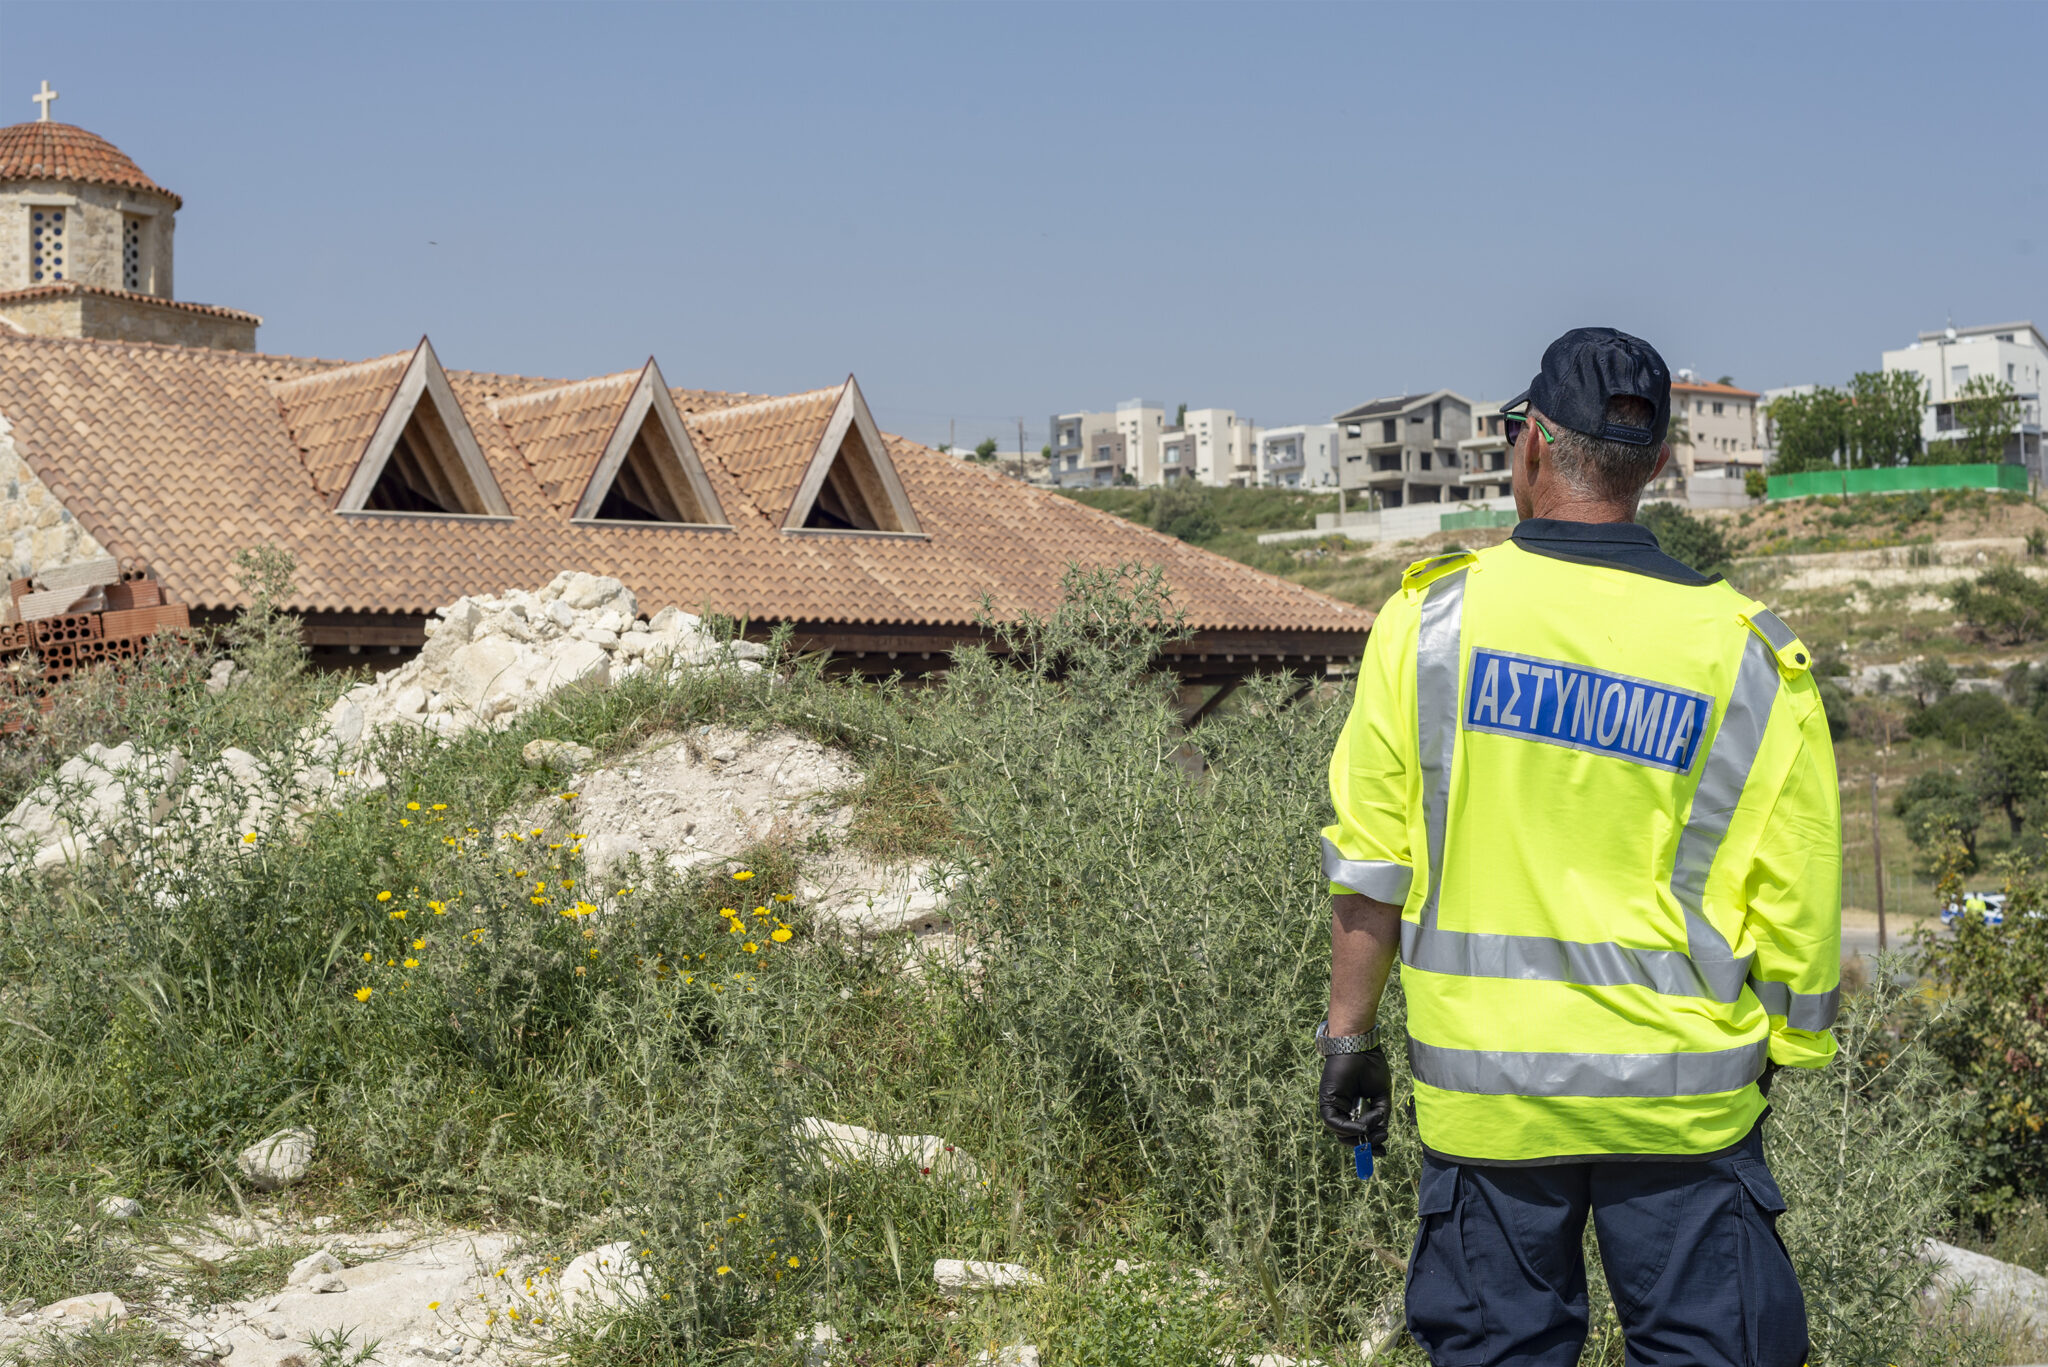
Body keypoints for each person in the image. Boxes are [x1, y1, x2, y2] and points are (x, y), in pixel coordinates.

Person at [1314, 327, 1840, 1367]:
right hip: (1686, 1114)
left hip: (1488, 1111)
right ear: (1653, 464)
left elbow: (1370, 867)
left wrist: (1348, 1039)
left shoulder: (1426, 623)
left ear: (1531, 448)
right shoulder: (1748, 650)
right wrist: (1788, 1052)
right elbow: (1799, 894)